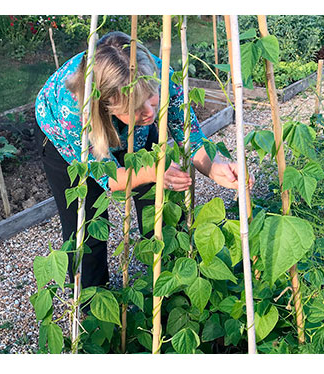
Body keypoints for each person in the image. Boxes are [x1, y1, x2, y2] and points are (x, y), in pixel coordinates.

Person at [34, 31, 250, 290]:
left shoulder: (158, 74)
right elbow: (110, 178)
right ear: (108, 106)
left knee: (158, 205)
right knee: (86, 225)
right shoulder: (73, 112)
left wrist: (214, 168)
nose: (151, 112)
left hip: (130, 131)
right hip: (67, 139)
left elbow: (187, 132)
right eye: (136, 107)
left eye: (151, 97)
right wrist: (153, 170)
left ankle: (168, 285)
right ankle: (92, 310)